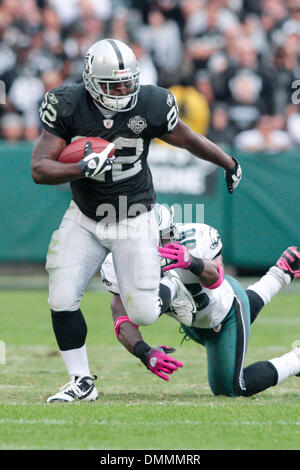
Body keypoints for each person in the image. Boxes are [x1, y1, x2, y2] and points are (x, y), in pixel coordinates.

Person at [30, 38, 242, 403]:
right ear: (92, 82)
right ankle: (81, 381)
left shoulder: (152, 102)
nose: (125, 90)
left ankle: (173, 287)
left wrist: (228, 161)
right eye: (115, 85)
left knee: (143, 312)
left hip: (134, 216)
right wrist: (79, 168)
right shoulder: (67, 104)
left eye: (129, 82)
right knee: (61, 296)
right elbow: (38, 168)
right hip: (85, 217)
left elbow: (187, 138)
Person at [101, 204, 300, 395]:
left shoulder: (197, 239)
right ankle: (281, 273)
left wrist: (192, 262)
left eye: (160, 238)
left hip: (223, 314)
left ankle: (296, 359)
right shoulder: (119, 262)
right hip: (192, 319)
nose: (154, 247)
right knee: (176, 296)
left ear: (172, 232)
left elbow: (216, 278)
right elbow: (121, 315)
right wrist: (144, 352)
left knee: (232, 388)